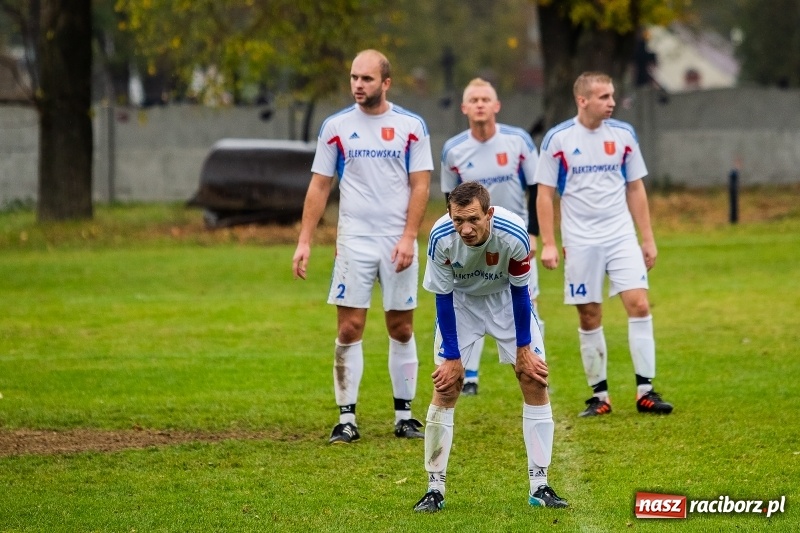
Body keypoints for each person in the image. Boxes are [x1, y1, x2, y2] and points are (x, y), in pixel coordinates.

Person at [292, 49, 433, 444]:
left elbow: (420, 183)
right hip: (353, 240)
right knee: (350, 327)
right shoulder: (335, 127)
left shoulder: (410, 126)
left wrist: (408, 236)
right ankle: (346, 419)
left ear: (385, 83)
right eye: (354, 77)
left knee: (401, 327)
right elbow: (320, 185)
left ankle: (404, 415)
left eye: (367, 79)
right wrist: (305, 241)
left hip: (396, 240)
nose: (358, 85)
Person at [412, 181, 568, 512]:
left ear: (489, 213)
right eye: (458, 220)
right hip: (461, 303)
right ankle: (434, 488)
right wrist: (453, 358)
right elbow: (441, 297)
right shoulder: (441, 238)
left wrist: (524, 348)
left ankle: (540, 485)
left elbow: (520, 292)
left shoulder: (513, 233)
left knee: (534, 379)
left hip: (504, 302)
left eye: (473, 219)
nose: (465, 229)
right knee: (447, 386)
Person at [535, 71, 673, 417]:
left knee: (639, 304)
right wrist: (549, 242)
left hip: (620, 235)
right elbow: (545, 193)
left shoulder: (624, 135)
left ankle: (646, 392)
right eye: (604, 97)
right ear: (582, 101)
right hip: (580, 240)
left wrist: (648, 239)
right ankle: (600, 397)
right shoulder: (558, 139)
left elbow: (635, 188)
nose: (612, 102)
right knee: (590, 313)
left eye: (612, 96)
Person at [440, 78, 543, 396]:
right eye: (474, 99)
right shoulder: (453, 149)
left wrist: (534, 232)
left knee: (527, 298)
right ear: (465, 108)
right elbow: (450, 198)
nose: (480, 104)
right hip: (470, 240)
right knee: (471, 295)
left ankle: (532, 361)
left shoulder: (519, 141)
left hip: (514, 240)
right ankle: (469, 374)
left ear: (496, 106)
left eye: (486, 98)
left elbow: (536, 187)